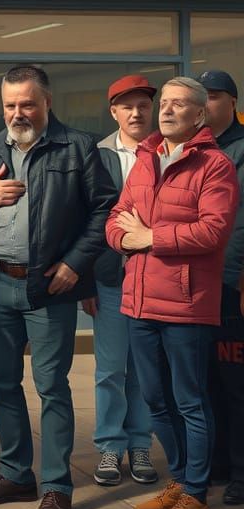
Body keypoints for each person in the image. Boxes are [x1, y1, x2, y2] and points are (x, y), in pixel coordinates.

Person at [0, 64, 116, 509]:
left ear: (47, 102)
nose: (18, 113)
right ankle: (15, 474)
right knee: (1, 384)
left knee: (51, 387)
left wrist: (74, 264)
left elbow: (105, 210)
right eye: (9, 104)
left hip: (49, 287)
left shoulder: (78, 147)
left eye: (27, 103)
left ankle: (57, 487)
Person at [108, 76, 238, 509]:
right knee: (156, 400)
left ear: (199, 115)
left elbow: (212, 232)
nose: (166, 110)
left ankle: (198, 497)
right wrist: (126, 236)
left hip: (186, 304)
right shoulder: (145, 158)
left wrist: (150, 237)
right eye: (164, 103)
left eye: (179, 104)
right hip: (139, 299)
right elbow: (115, 219)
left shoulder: (215, 165)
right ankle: (182, 481)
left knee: (191, 401)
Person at [81, 75, 157, 487]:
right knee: (110, 369)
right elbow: (86, 219)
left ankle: (140, 443)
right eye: (126, 105)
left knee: (145, 369)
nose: (135, 112)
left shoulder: (168, 153)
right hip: (109, 280)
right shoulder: (97, 155)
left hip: (157, 277)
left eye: (142, 104)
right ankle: (111, 445)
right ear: (113, 111)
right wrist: (86, 282)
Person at [197, 69, 244, 505]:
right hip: (197, 286)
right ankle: (218, 461)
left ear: (231, 101)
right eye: (202, 96)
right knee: (206, 380)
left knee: (236, 384)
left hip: (234, 285)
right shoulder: (194, 150)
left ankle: (241, 473)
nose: (206, 104)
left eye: (213, 96)